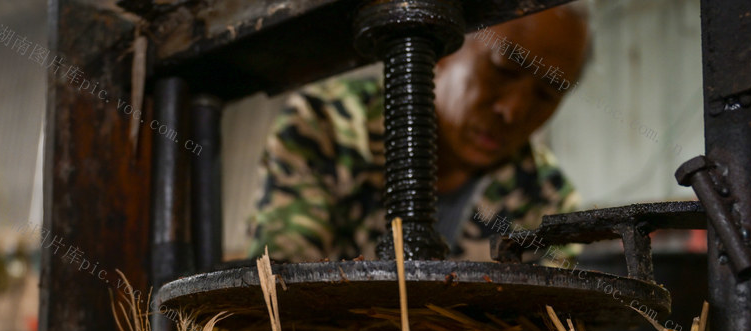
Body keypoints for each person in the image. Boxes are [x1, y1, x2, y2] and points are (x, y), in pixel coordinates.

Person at [247, 6, 589, 262]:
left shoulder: (549, 201)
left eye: (548, 94)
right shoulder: (323, 127)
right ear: (442, 50)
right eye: (502, 70)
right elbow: (280, 298)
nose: (512, 111)